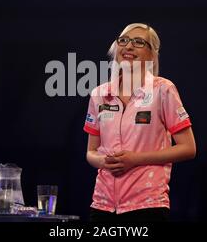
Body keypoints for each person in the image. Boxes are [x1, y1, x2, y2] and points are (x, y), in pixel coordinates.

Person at [83, 23, 196, 222]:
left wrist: (135, 159)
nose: (128, 46)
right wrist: (103, 161)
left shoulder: (163, 90)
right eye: (123, 41)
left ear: (152, 55)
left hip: (148, 204)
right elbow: (91, 152)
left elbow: (188, 148)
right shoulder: (99, 94)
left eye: (138, 42)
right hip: (102, 205)